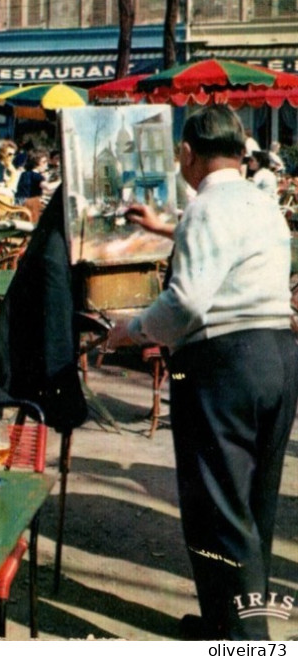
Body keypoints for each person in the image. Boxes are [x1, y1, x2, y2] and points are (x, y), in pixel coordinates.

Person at [108, 105, 298, 641]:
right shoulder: (261, 201)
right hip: (277, 357)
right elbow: (230, 249)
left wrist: (133, 329)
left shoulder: (205, 207)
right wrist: (166, 228)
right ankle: (227, 624)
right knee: (253, 508)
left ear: (188, 155)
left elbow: (186, 302)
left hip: (224, 366)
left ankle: (244, 644)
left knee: (218, 511)